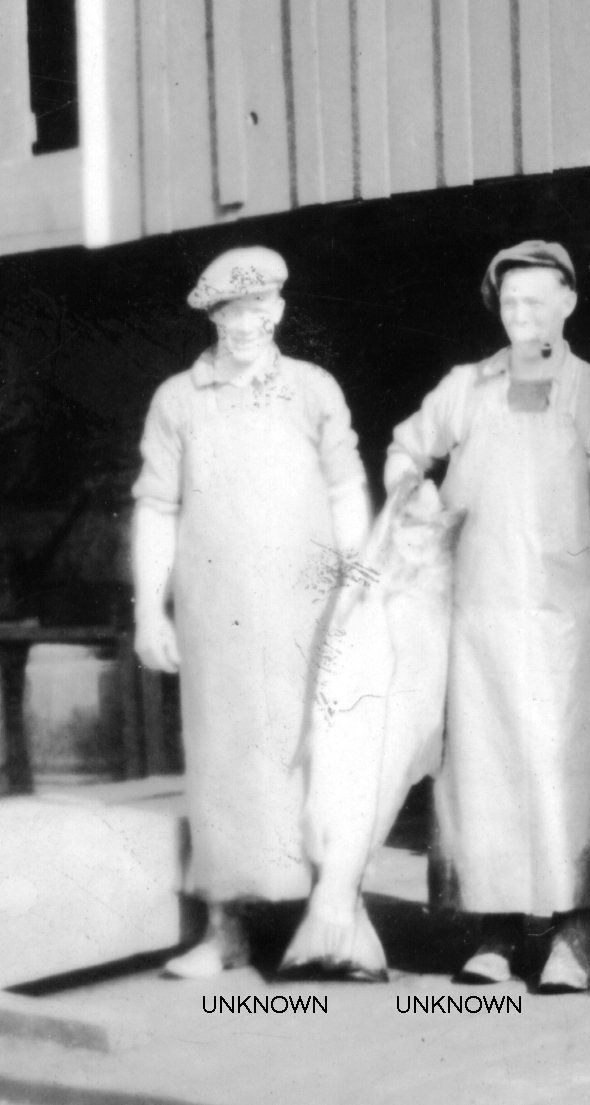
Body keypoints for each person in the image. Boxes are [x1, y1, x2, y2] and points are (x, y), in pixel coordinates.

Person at [385, 241, 590, 993]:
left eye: (537, 301)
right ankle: (492, 934)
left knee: (561, 771)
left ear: (569, 302)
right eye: (510, 304)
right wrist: (416, 499)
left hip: (560, 621)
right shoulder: (466, 387)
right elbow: (405, 451)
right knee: (479, 773)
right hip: (475, 618)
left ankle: (572, 935)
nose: (523, 315)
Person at [132, 246, 370, 979]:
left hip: (312, 613)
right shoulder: (179, 397)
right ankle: (225, 929)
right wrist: (149, 608)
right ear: (212, 315)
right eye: (230, 310)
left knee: (326, 762)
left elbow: (345, 488)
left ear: (280, 310)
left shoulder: (313, 388)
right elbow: (156, 507)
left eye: (258, 307)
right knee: (223, 765)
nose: (245, 322)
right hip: (218, 620)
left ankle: (338, 921)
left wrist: (363, 586)